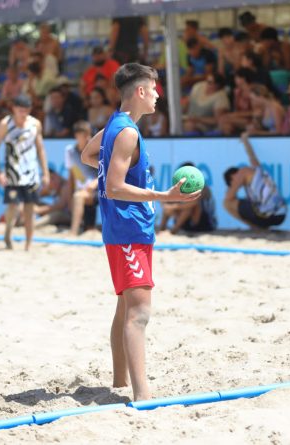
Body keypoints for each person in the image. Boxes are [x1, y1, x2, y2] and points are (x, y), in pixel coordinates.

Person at [80, 63, 200, 401]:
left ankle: (119, 383)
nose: (159, 95)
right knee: (139, 313)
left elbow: (88, 155)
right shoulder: (127, 132)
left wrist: (108, 170)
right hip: (128, 229)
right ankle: (143, 396)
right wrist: (163, 196)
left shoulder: (117, 126)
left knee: (124, 308)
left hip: (123, 229)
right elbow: (116, 187)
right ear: (141, 92)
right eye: (154, 89)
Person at [0, 94, 50, 251]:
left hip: (30, 172)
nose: (23, 113)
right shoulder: (5, 124)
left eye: (26, 110)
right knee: (13, 207)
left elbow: (40, 148)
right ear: (14, 109)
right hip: (12, 173)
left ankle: (28, 244)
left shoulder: (35, 124)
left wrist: (45, 172)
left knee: (30, 210)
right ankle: (8, 232)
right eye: (20, 110)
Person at [224, 132, 287, 230]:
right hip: (282, 214)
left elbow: (229, 197)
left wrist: (231, 189)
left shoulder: (243, 172)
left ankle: (254, 227)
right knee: (249, 203)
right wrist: (245, 141)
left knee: (227, 204)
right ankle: (258, 226)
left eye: (232, 182)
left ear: (233, 177)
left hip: (268, 214)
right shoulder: (257, 169)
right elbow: (252, 156)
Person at [159, 162, 217, 234]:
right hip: (186, 221)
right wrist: (167, 205)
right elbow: (165, 199)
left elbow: (193, 203)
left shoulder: (203, 188)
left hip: (204, 223)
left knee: (188, 207)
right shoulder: (181, 186)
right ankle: (161, 229)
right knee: (169, 204)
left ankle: (173, 231)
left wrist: (172, 207)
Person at [66, 121, 99, 235]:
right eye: (85, 135)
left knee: (78, 196)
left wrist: (94, 184)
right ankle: (79, 228)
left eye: (89, 135)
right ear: (76, 136)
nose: (88, 138)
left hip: (97, 189)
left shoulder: (96, 151)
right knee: (76, 196)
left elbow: (105, 172)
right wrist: (69, 197)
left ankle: (73, 232)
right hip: (84, 189)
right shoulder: (70, 151)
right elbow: (71, 176)